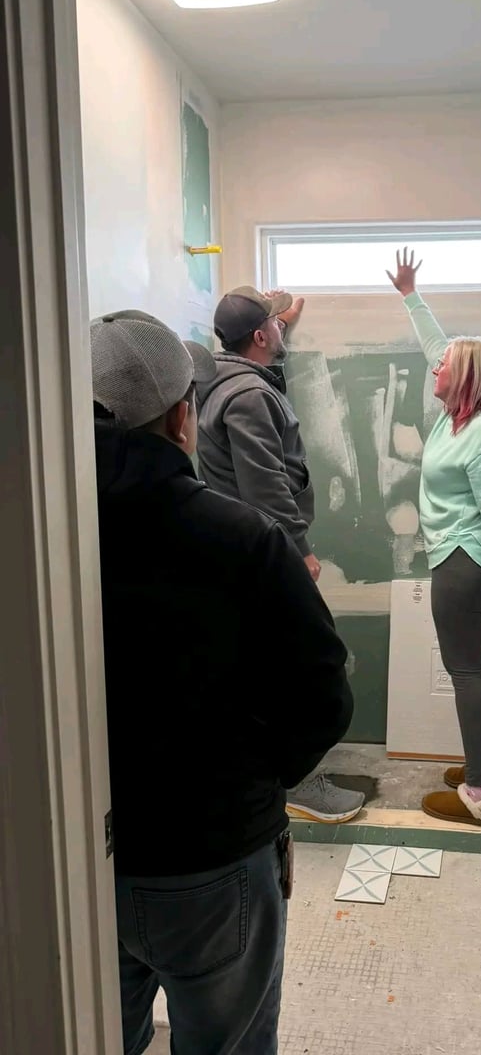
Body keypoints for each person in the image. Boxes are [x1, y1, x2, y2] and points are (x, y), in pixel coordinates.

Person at [91, 310, 353, 1055]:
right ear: (184, 417)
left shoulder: (45, 539)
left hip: (81, 858)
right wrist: (259, 778)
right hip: (217, 857)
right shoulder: (242, 540)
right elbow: (324, 696)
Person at [196, 285, 365, 825]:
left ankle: (280, 774)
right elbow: (264, 482)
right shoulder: (249, 396)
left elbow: (264, 336)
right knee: (294, 668)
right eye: (273, 324)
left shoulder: (221, 376)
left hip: (241, 552)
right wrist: (299, 549)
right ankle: (298, 782)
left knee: (265, 665)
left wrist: (283, 315)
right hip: (264, 553)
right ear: (260, 336)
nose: (279, 327)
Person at [387, 249, 481, 828]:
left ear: (461, 378)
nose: (434, 368)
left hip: (467, 561)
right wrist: (411, 295)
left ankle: (478, 794)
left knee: (463, 670)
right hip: (455, 556)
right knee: (472, 667)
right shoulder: (454, 415)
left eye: (443, 367)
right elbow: (435, 346)